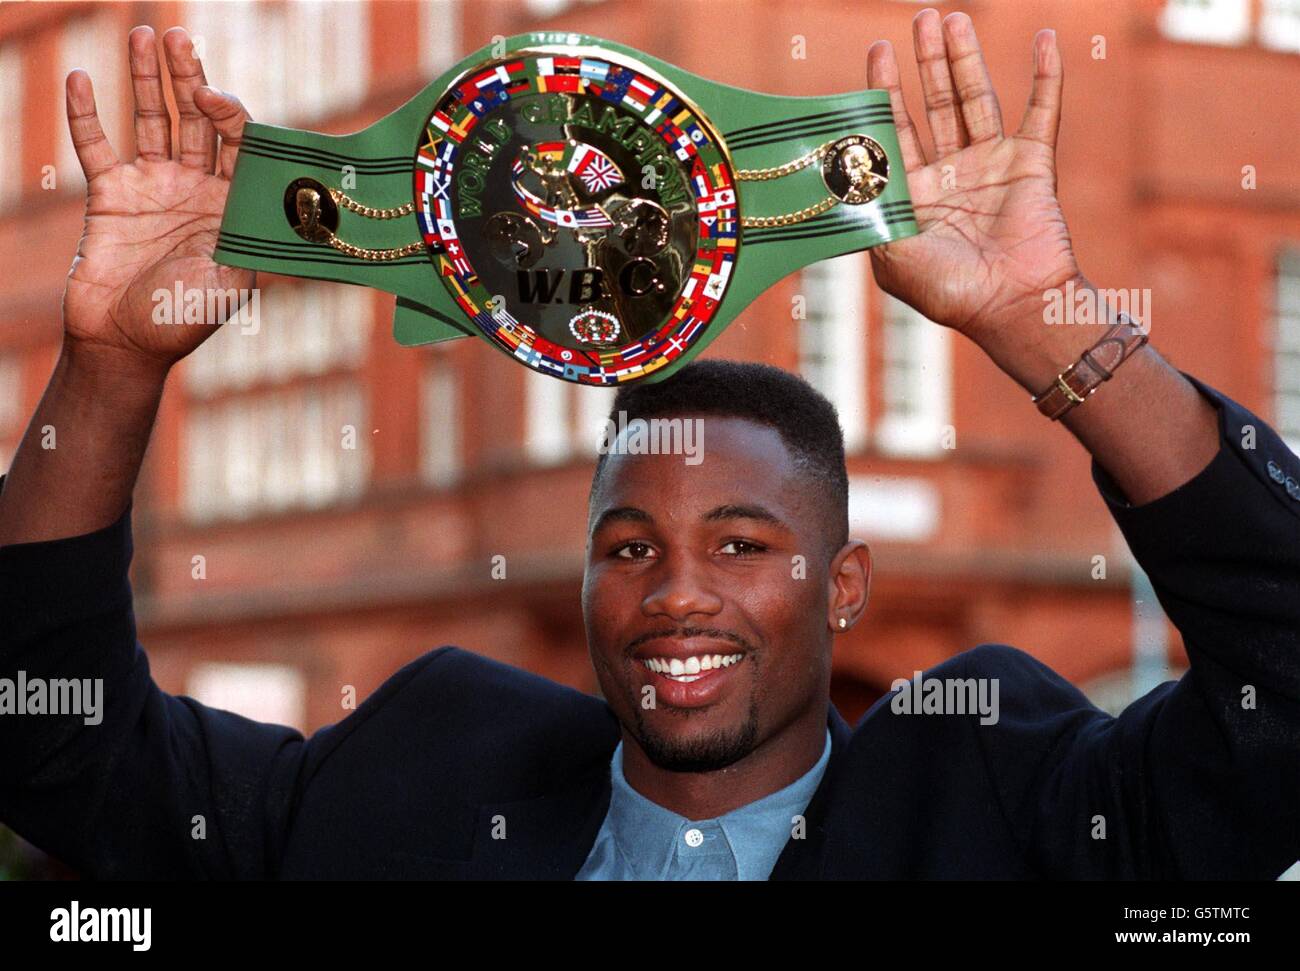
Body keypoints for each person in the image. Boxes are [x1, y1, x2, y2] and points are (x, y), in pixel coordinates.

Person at [1, 11, 1297, 880]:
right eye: (630, 545)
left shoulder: (1004, 812)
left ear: (842, 584)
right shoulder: (419, 783)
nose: (676, 591)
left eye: (742, 541)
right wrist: (111, 368)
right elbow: (51, 743)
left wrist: (1050, 321)